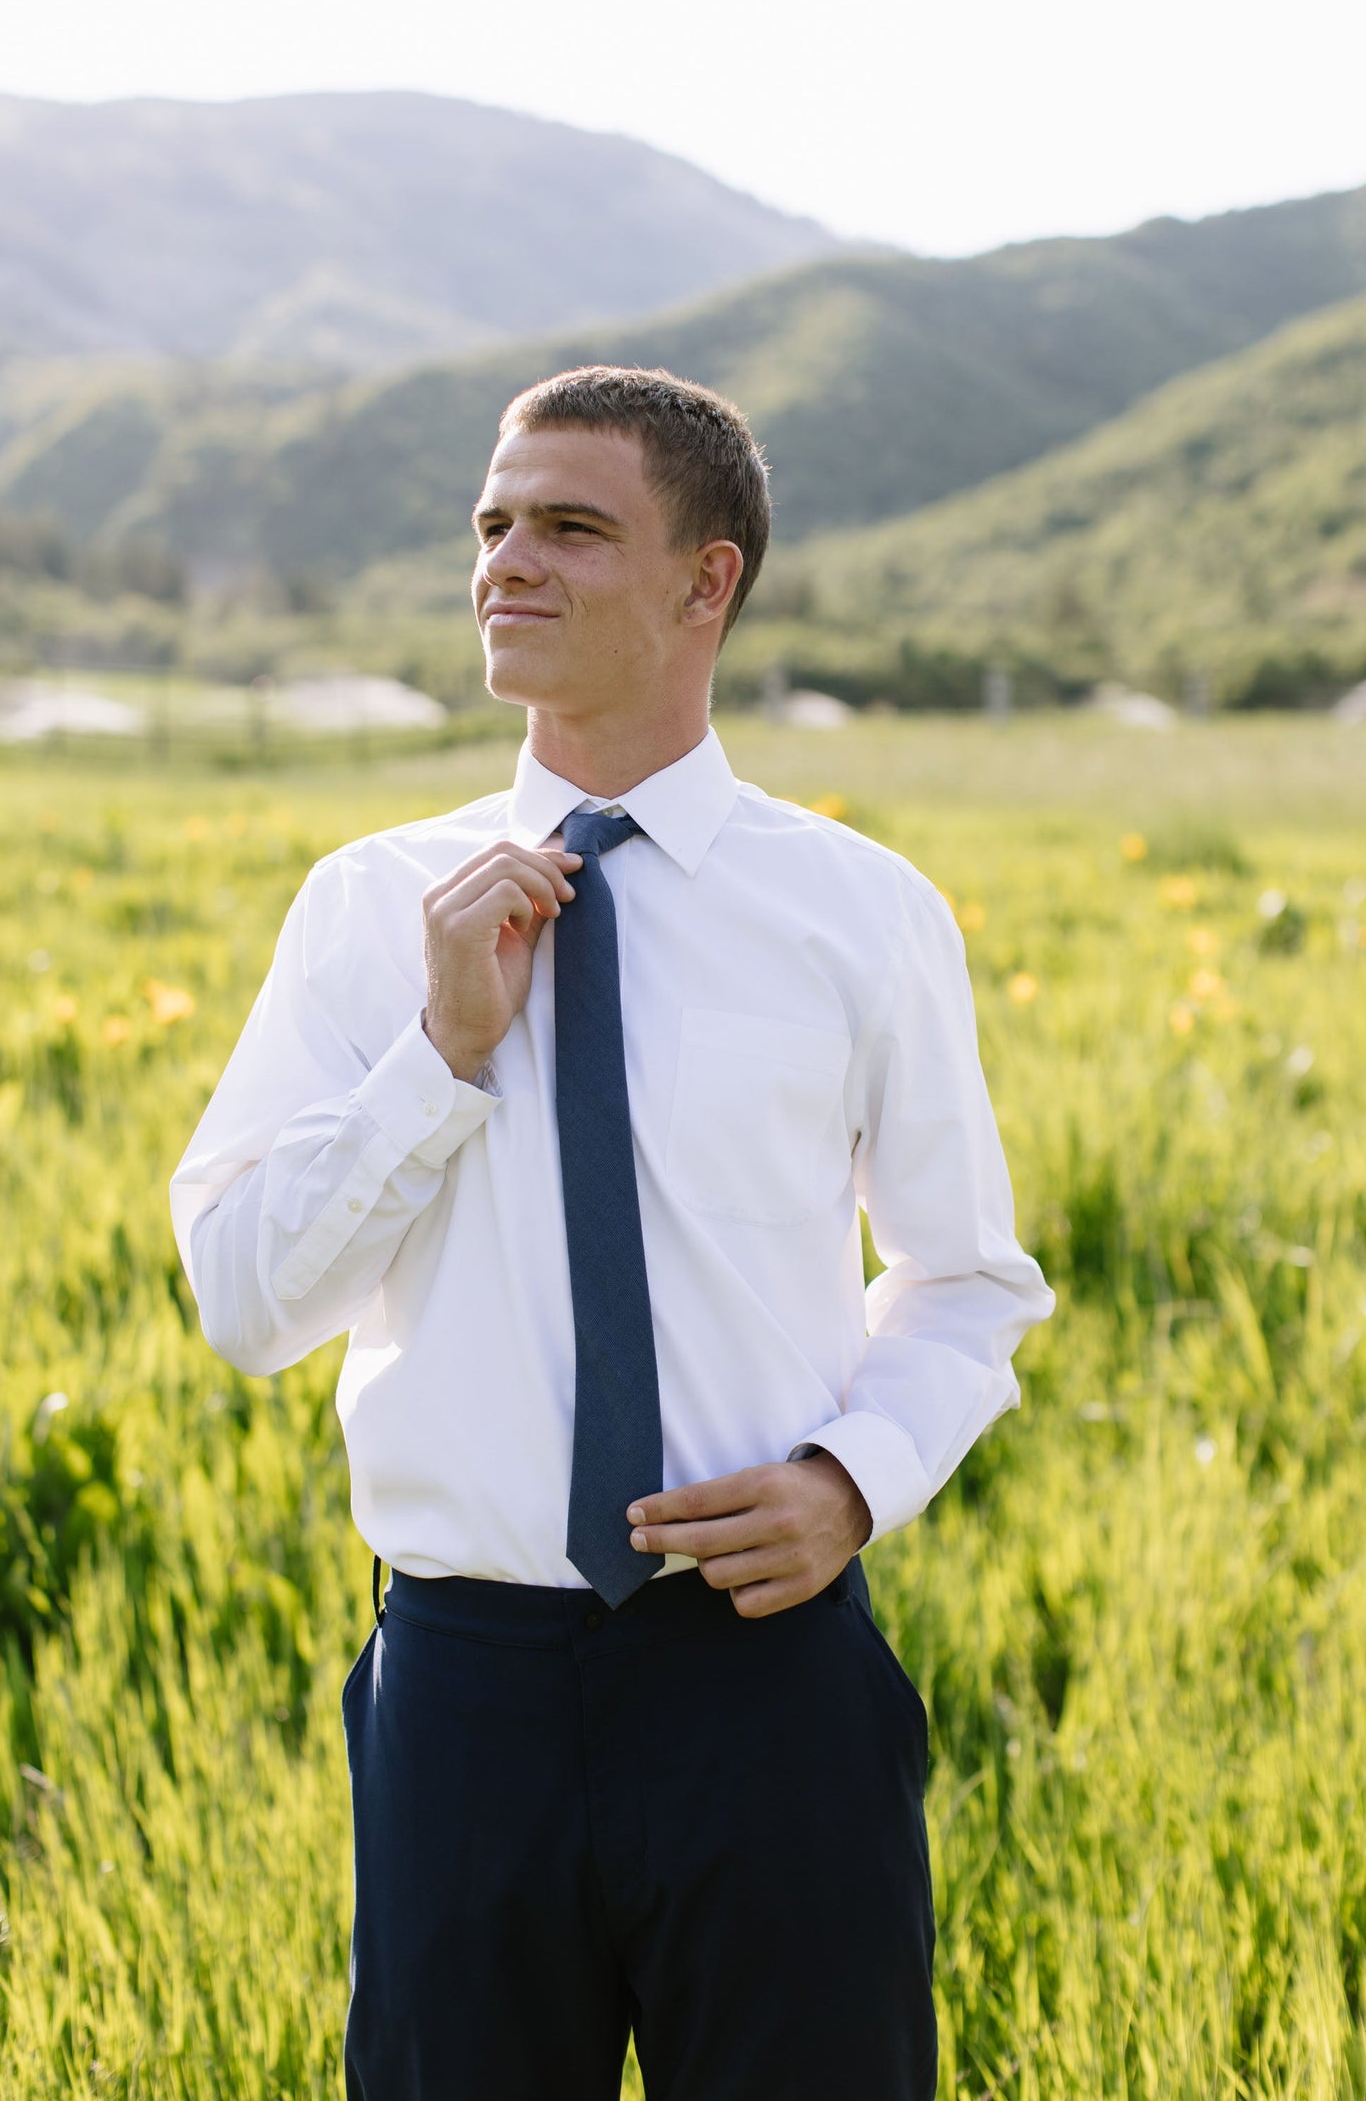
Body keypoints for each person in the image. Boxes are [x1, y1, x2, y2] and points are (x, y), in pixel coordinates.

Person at [171, 365, 1054, 2101]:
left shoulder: (859, 914)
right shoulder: (367, 909)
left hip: (765, 1683)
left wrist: (849, 1480)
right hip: (466, 1691)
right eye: (493, 524)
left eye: (571, 527)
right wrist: (440, 1052)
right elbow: (244, 1301)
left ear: (703, 582)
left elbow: (966, 1282)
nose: (509, 560)